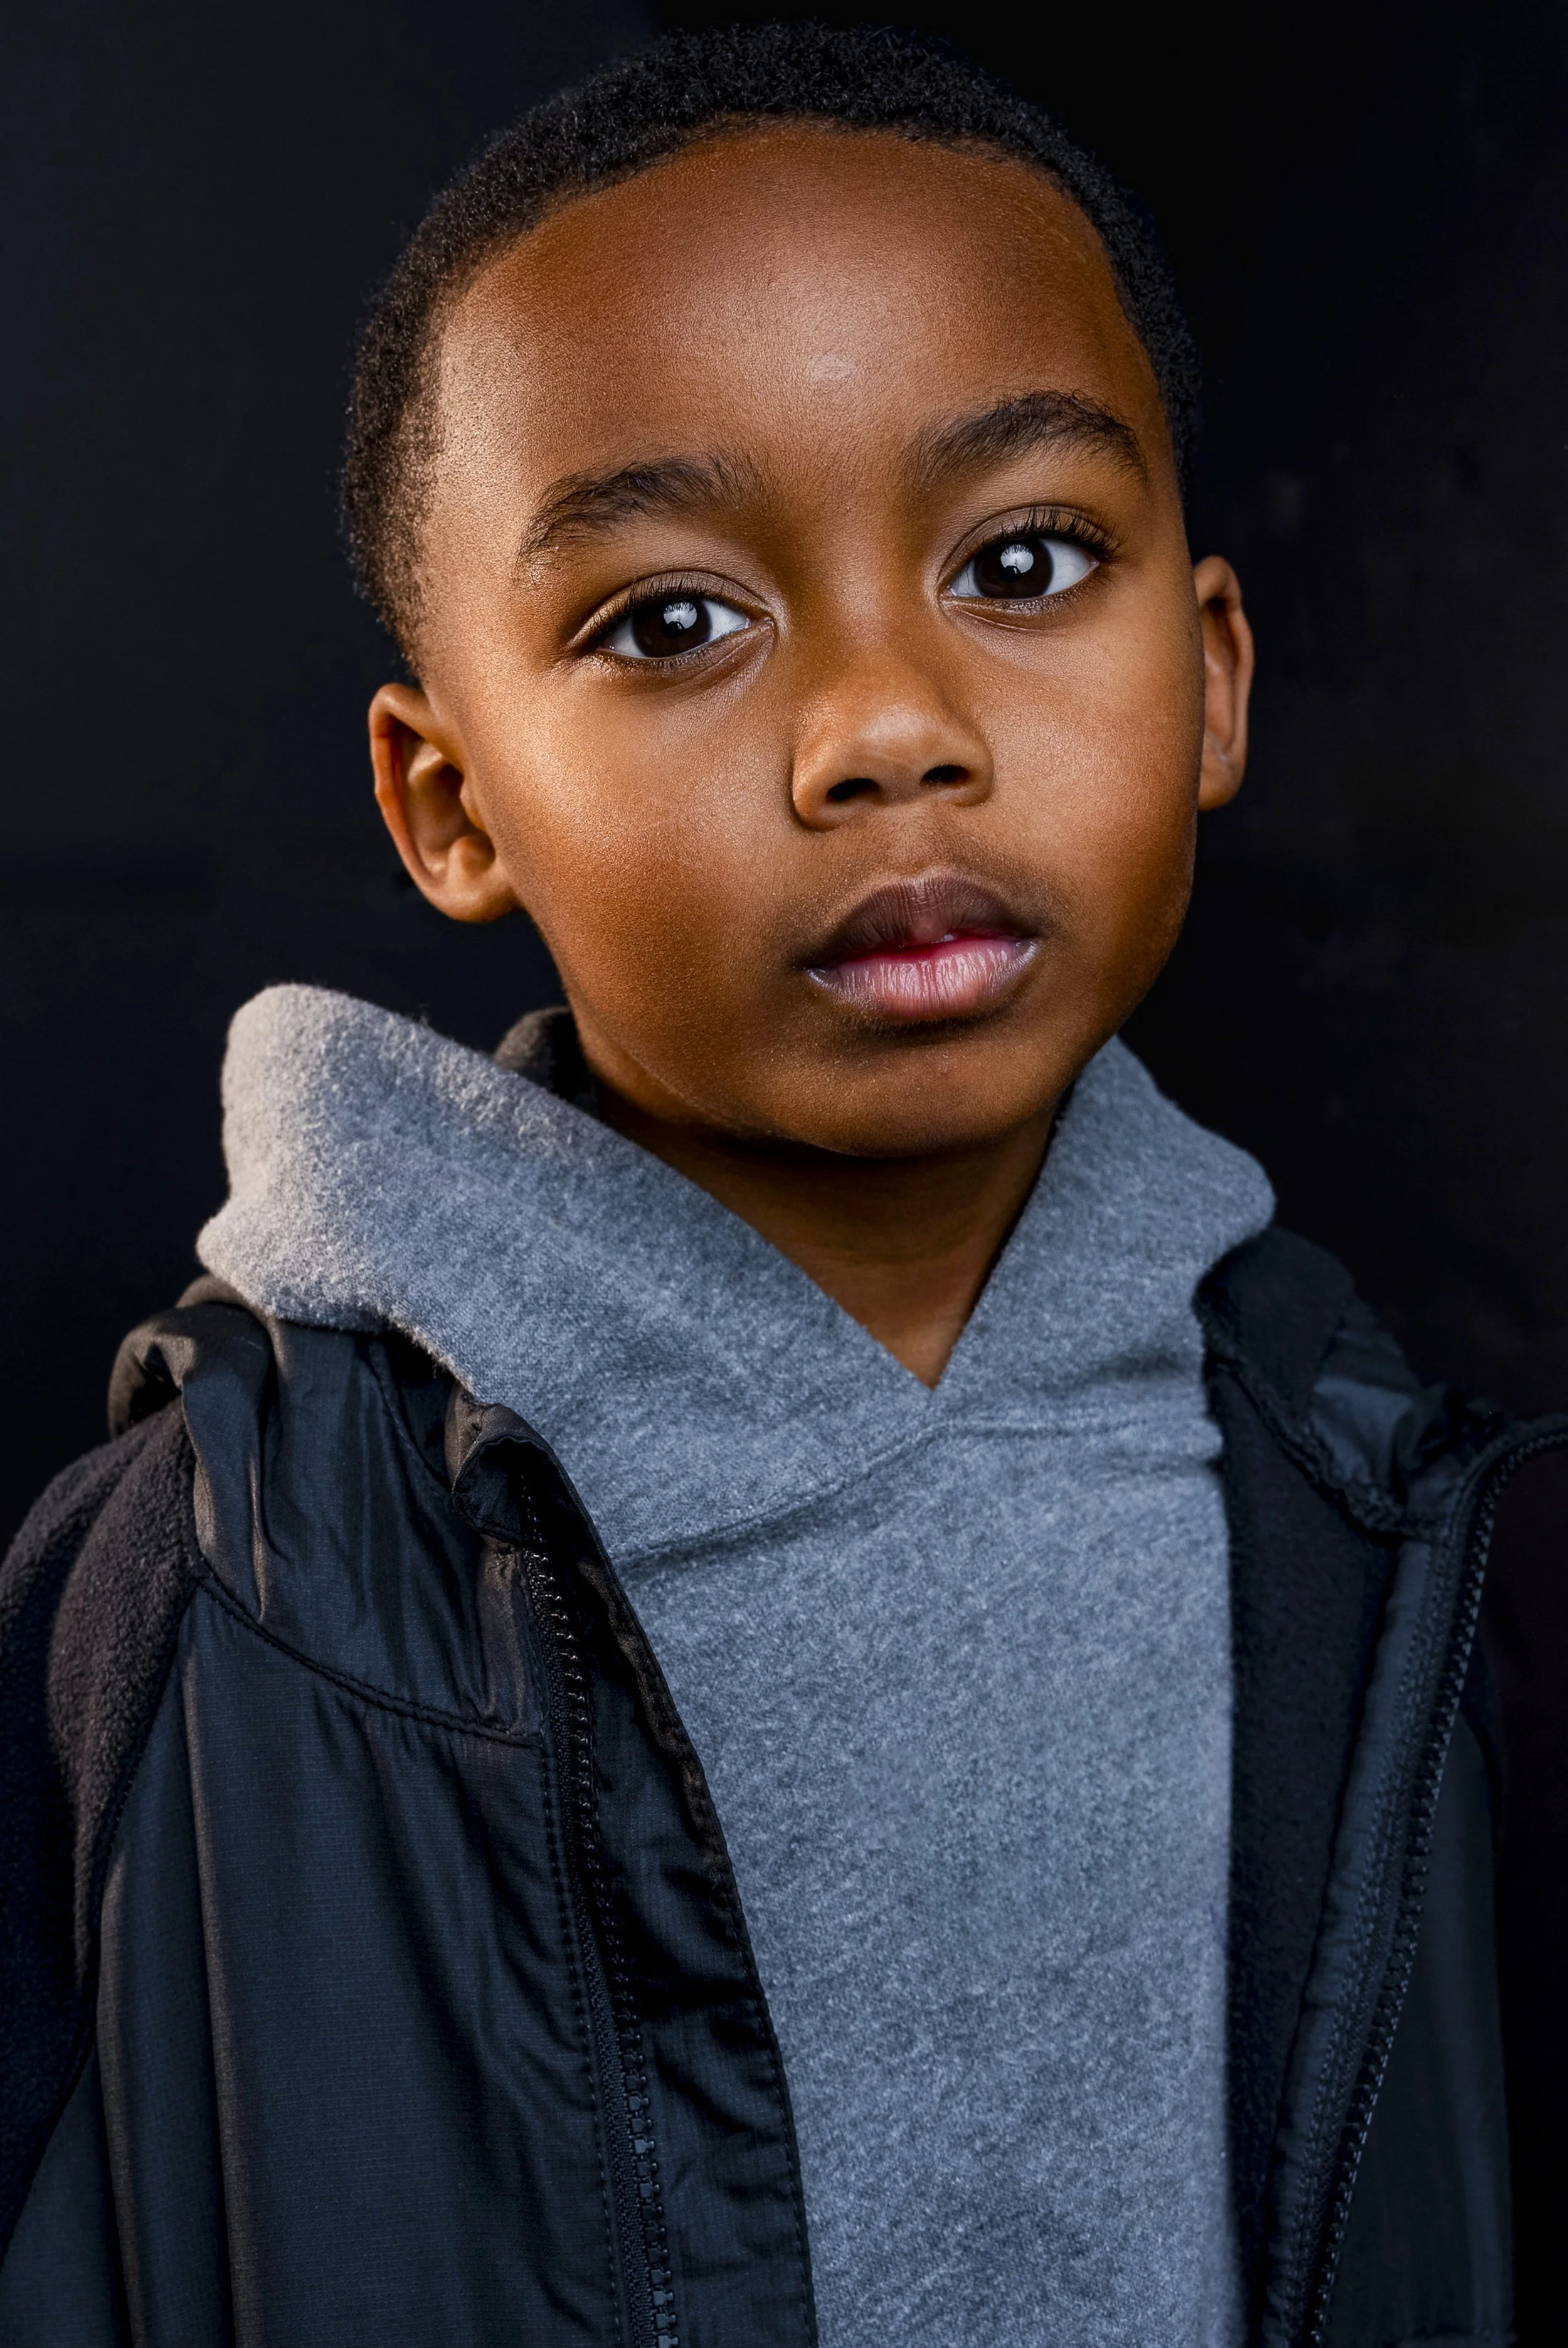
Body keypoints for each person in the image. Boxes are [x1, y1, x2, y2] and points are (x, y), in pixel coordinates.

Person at [0, 24, 1550, 2347]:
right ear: (449, 806)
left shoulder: (1388, 1513)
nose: (886, 726)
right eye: (673, 622)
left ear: (1211, 680)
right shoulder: (212, 1604)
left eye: (1023, 560)